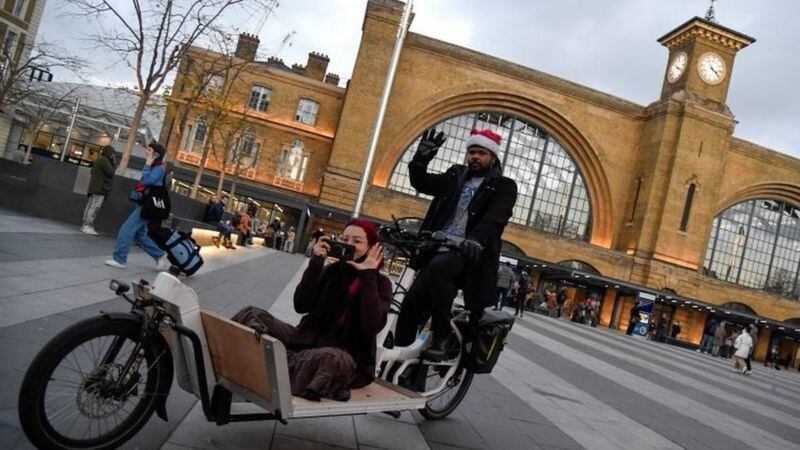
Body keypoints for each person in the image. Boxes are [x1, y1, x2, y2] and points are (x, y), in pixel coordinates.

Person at [231, 219, 391, 401]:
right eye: (345, 239)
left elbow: (372, 325)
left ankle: (271, 362)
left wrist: (367, 274)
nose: (348, 245)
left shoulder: (379, 283)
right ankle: (286, 364)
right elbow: (301, 305)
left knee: (331, 359)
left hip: (345, 356)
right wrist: (316, 263)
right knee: (251, 313)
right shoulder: (332, 270)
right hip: (305, 341)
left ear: (372, 248)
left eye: (357, 241)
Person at [394, 128, 518, 360]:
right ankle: (400, 356)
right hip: (437, 248)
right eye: (472, 151)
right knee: (411, 303)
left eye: (481, 152)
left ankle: (440, 336)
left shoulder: (504, 186)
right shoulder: (455, 175)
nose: (475, 157)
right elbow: (421, 183)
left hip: (470, 254)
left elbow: (495, 219)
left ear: (493, 156)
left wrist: (474, 240)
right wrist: (420, 159)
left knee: (441, 266)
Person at [105, 142, 169, 269]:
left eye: (149, 150)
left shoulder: (159, 168)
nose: (146, 151)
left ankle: (120, 259)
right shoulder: (157, 167)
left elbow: (146, 180)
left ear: (156, 154)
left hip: (147, 205)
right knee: (139, 234)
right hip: (144, 202)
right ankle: (159, 255)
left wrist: (147, 164)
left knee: (126, 230)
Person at [81, 145, 116, 235]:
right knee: (95, 207)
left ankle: (85, 225)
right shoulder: (104, 160)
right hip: (100, 188)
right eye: (112, 154)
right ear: (108, 153)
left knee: (90, 206)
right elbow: (111, 172)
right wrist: (113, 163)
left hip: (94, 188)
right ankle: (88, 226)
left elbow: (92, 171)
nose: (113, 156)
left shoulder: (99, 160)